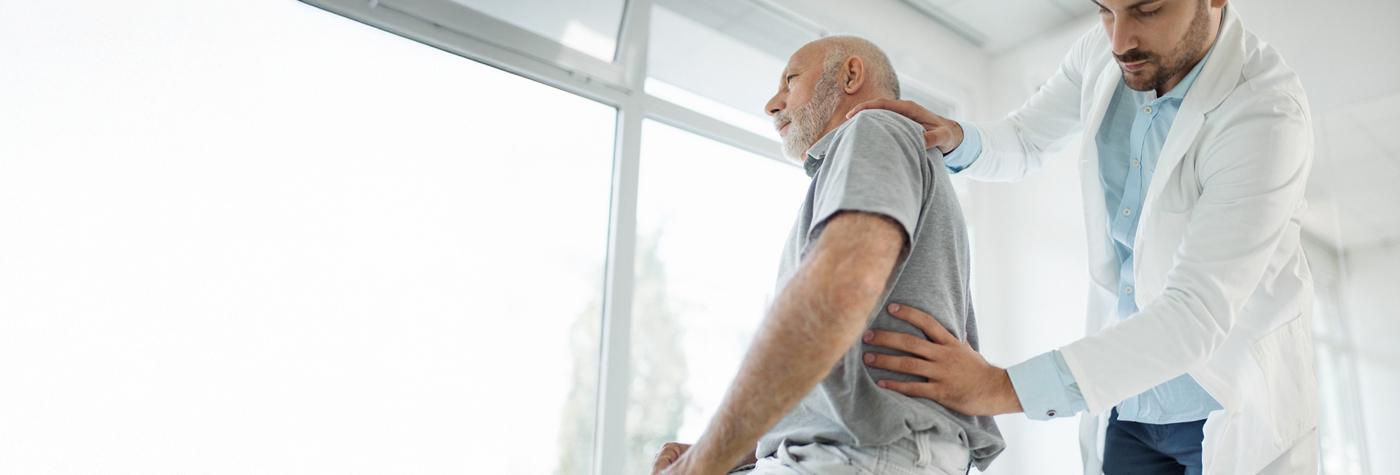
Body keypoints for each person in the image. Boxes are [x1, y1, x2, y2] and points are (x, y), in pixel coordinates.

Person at [852, 1, 1317, 473]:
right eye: (1105, 11)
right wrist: (956, 137)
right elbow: (1026, 137)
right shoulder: (1103, 52)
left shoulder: (1265, 111)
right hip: (1128, 402)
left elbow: (1195, 311)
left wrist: (996, 387)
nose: (1119, 41)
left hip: (1224, 401)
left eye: (1147, 10)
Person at [649, 35, 1003, 475]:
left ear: (850, 75)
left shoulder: (874, 127)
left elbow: (834, 295)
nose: (771, 104)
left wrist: (702, 463)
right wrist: (749, 449)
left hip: (862, 454)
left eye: (790, 81)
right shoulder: (888, 152)